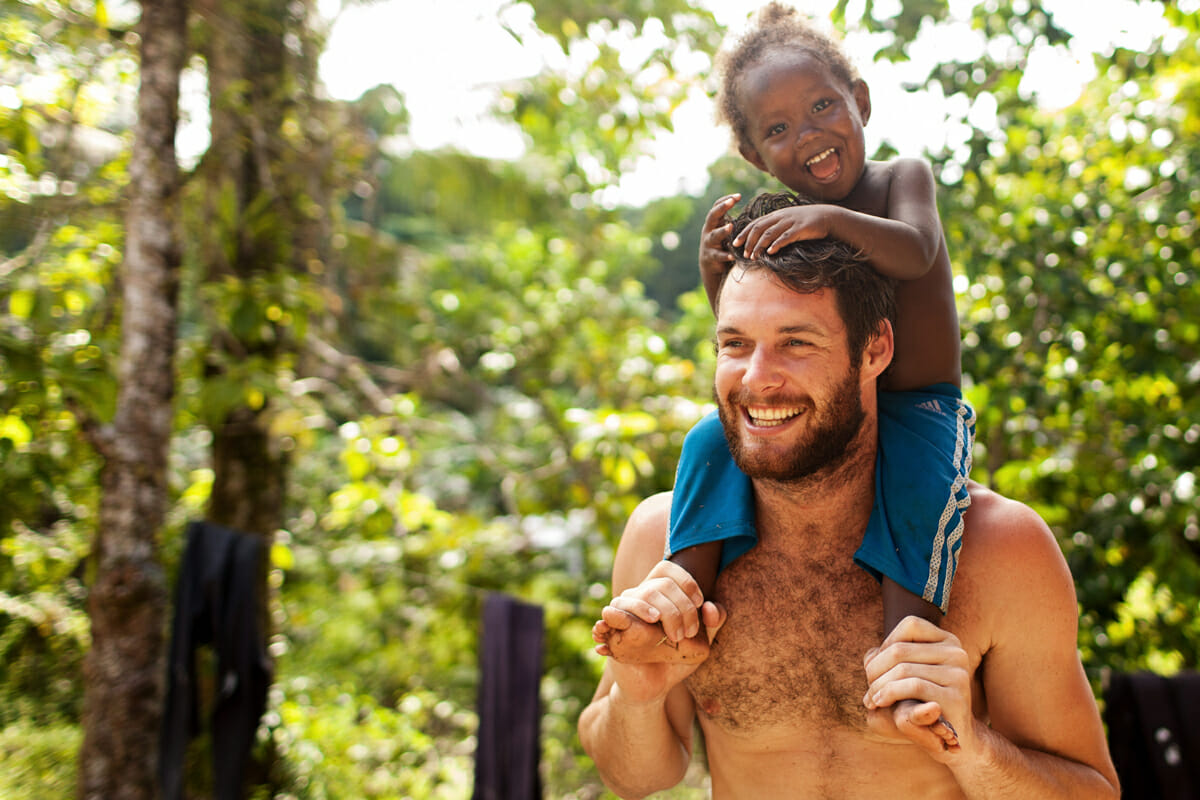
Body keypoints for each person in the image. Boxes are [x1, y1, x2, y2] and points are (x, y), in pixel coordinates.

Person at [578, 193, 1120, 798]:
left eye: (797, 343)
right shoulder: (666, 536)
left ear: (875, 350)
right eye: (734, 344)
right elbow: (635, 777)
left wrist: (971, 747)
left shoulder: (999, 549)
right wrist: (635, 693)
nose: (757, 377)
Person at [602, 3, 971, 706]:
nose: (810, 135)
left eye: (823, 106)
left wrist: (830, 220)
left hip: (918, 407)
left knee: (916, 496)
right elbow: (755, 333)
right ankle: (676, 603)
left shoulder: (900, 181)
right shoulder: (775, 221)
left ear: (859, 101)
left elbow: (916, 251)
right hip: (823, 409)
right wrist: (716, 266)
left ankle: (908, 668)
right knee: (714, 438)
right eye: (778, 129)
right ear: (753, 155)